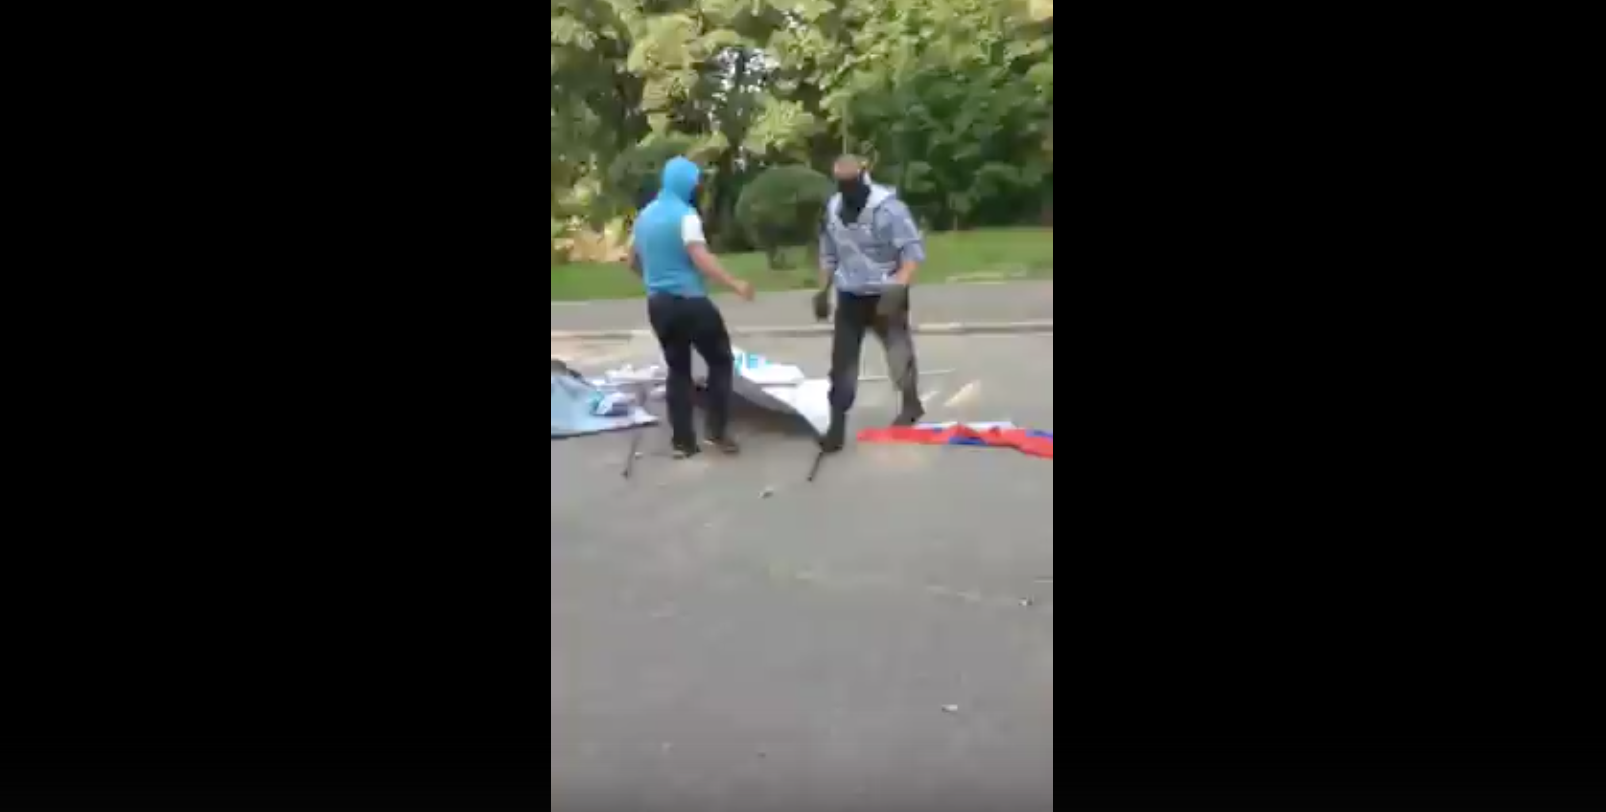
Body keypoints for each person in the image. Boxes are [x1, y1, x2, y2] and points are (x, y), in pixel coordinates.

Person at [630, 156, 754, 459]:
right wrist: (734, 283)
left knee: (678, 370)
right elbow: (700, 257)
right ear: (685, 183)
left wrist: (654, 279)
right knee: (720, 360)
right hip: (690, 302)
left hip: (658, 305)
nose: (698, 186)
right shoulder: (686, 216)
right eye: (696, 181)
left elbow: (632, 260)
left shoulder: (644, 216)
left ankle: (683, 443)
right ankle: (716, 432)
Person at [813, 155, 926, 452]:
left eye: (851, 182)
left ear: (864, 175)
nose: (847, 189)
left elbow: (912, 253)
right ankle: (836, 427)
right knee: (842, 364)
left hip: (886, 294)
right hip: (850, 296)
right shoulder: (834, 209)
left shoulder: (890, 209)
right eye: (841, 183)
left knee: (898, 354)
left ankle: (911, 403)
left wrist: (898, 286)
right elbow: (828, 254)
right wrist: (822, 290)